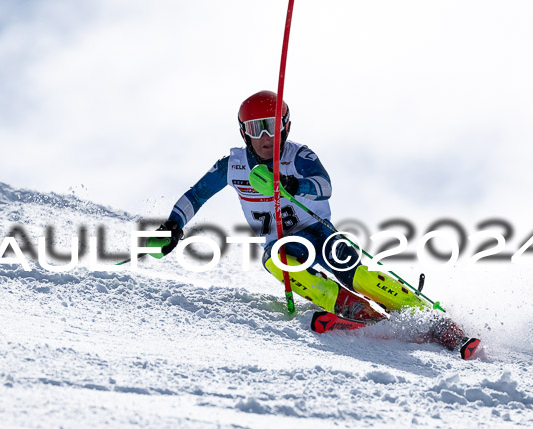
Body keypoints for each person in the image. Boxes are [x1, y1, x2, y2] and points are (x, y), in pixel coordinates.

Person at [147, 90, 470, 353]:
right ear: (243, 132)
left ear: (285, 127)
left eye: (272, 126)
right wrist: (174, 224)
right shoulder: (232, 165)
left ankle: (427, 317)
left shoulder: (298, 156)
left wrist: (293, 186)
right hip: (281, 243)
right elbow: (197, 195)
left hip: (318, 231)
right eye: (256, 128)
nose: (265, 136)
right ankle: (355, 310)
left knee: (354, 269)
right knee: (275, 261)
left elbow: (325, 185)